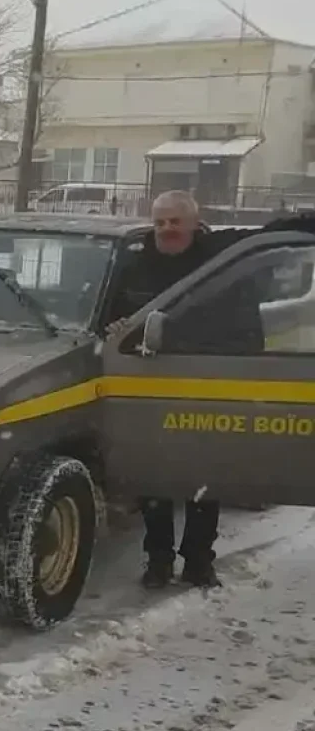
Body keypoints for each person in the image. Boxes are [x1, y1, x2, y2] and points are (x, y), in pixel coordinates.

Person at [106, 190, 234, 589]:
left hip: (205, 381)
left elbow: (267, 242)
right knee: (155, 479)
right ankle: (158, 561)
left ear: (194, 224)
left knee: (203, 478)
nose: (167, 229)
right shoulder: (134, 266)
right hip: (151, 382)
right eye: (160, 222)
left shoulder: (219, 260)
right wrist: (114, 329)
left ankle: (198, 561)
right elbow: (110, 317)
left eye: (175, 222)